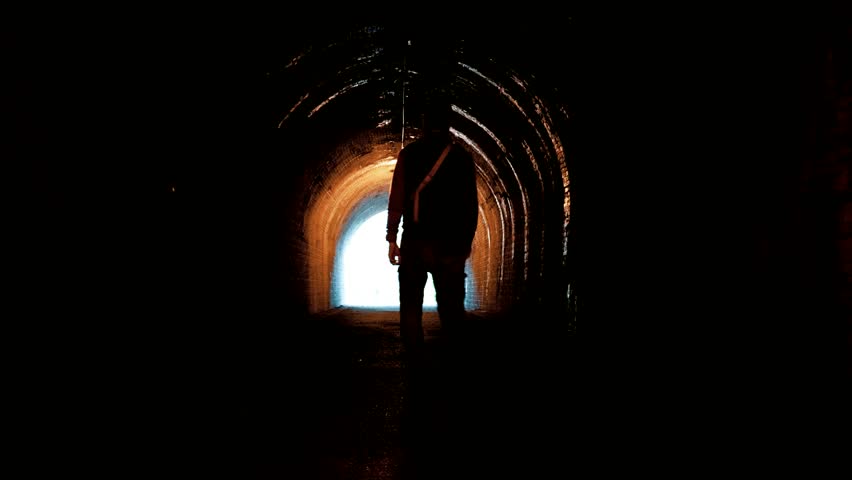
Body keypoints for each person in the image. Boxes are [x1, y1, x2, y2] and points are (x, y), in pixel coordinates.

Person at [385, 99, 479, 358]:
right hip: (450, 244)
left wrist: (392, 238)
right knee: (451, 306)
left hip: (415, 240)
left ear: (423, 124)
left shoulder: (409, 154)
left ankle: (413, 357)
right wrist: (464, 244)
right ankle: (453, 359)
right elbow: (470, 205)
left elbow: (397, 198)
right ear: (449, 124)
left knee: (411, 302)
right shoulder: (461, 158)